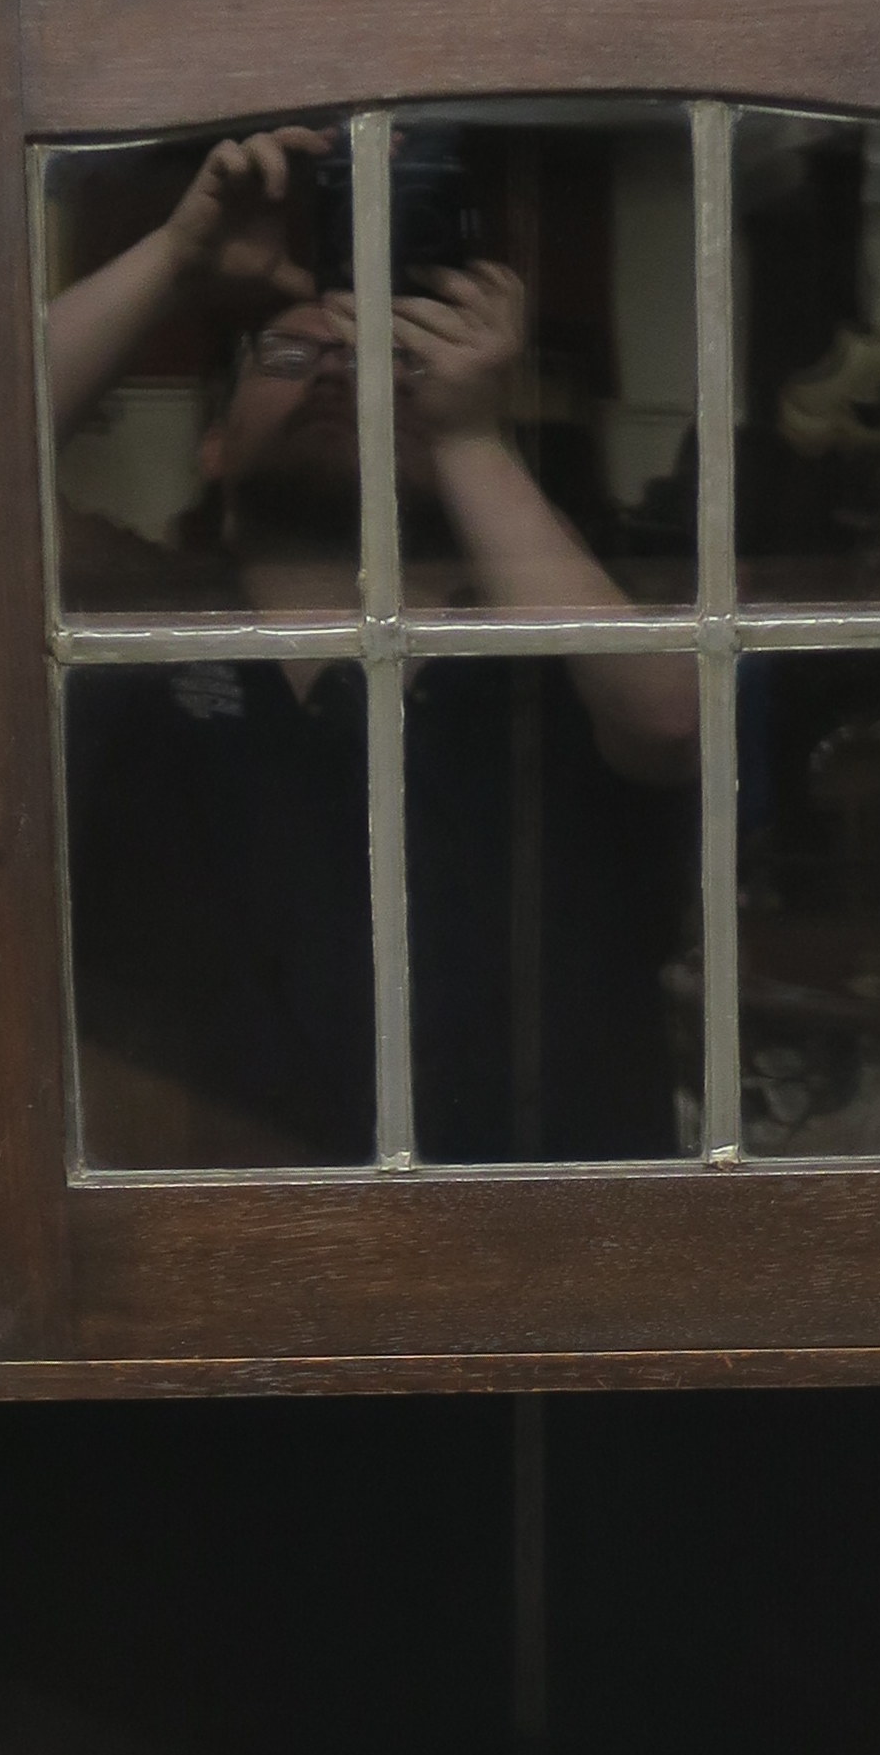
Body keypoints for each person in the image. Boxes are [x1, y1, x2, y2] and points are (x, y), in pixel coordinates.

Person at [52, 130, 701, 1169]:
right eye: (291, 355)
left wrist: (466, 435)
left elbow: (668, 715)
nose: (339, 378)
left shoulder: (553, 633)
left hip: (544, 1222)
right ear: (211, 440)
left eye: (388, 360)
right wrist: (174, 258)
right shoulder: (140, 622)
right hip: (193, 1225)